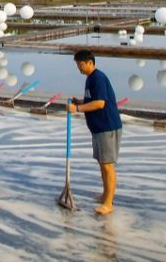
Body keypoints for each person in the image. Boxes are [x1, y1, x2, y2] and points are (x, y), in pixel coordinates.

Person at [66, 49, 123, 215]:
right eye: (78, 65)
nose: (79, 68)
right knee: (102, 163)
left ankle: (108, 203)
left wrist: (77, 109)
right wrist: (80, 102)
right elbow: (92, 100)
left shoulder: (98, 78)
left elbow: (100, 103)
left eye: (81, 64)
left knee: (107, 165)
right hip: (98, 128)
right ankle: (105, 194)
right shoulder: (90, 78)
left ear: (90, 63)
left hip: (107, 127)